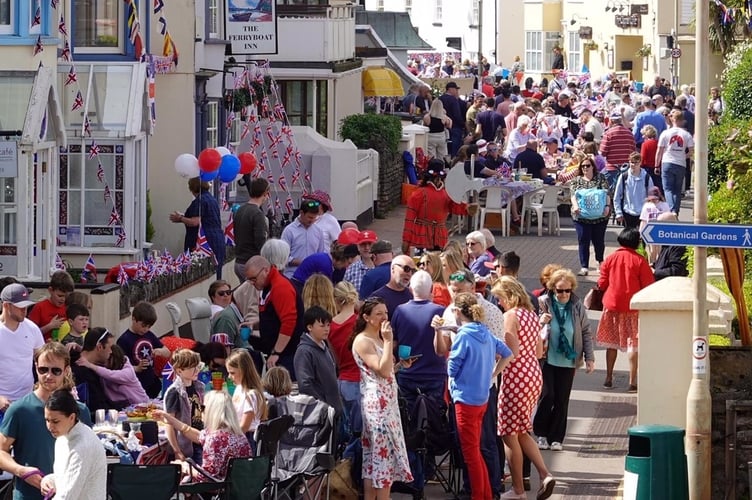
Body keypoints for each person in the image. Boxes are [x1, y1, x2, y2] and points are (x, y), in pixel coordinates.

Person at [0, 343, 92, 500]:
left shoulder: (80, 411)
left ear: (66, 370)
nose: (49, 376)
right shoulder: (19, 409)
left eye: (56, 370)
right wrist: (20, 470)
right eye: (43, 369)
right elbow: (1, 450)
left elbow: (87, 454)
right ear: (36, 367)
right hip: (28, 495)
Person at [491, 277, 555, 500]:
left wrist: (492, 371)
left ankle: (518, 490)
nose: (499, 303)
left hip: (515, 375)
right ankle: (545, 474)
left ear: (508, 296)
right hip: (534, 373)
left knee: (509, 434)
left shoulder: (510, 316)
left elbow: (511, 353)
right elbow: (538, 351)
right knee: (522, 430)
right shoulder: (530, 314)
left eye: (499, 298)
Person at [443, 292, 512, 500]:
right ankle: (485, 494)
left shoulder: (463, 335)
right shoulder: (484, 331)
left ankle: (478, 496)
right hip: (482, 398)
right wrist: (493, 372)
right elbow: (507, 353)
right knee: (477, 451)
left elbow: (452, 369)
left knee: (470, 455)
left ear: (457, 312)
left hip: (465, 400)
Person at [351, 297, 413, 499]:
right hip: (378, 406)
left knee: (374, 459)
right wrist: (388, 341)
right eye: (379, 313)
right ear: (366, 317)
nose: (384, 317)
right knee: (381, 456)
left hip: (387, 402)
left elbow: (385, 371)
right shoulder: (363, 341)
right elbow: (382, 371)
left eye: (386, 312)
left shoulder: (378, 339)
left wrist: (400, 366)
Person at [534, 269, 595, 451]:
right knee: (547, 396)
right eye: (560, 291)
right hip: (547, 358)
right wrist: (540, 321)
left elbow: (585, 331)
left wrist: (589, 358)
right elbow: (532, 326)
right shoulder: (544, 303)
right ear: (553, 289)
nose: (564, 294)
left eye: (567, 290)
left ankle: (556, 438)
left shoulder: (577, 306)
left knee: (562, 399)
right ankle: (541, 434)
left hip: (568, 359)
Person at [597, 227, 655, 392]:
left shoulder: (610, 259)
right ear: (637, 242)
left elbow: (601, 284)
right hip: (633, 308)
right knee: (633, 345)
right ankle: (632, 381)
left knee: (611, 343)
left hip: (611, 306)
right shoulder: (639, 261)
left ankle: (608, 378)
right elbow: (648, 285)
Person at [154, 390, 251, 482]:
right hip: (241, 487)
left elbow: (206, 477)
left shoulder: (215, 438)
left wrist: (184, 467)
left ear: (213, 411)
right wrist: (169, 419)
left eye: (203, 407)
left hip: (221, 489)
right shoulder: (238, 434)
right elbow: (195, 434)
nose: (200, 410)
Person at [391, 271, 447, 406]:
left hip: (407, 373)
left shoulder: (400, 310)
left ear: (410, 289)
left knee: (409, 416)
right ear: (431, 289)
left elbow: (394, 342)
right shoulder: (440, 311)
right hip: (434, 373)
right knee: (434, 416)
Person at [39, 389, 106, 500]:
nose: (50, 427)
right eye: (47, 420)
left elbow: (67, 496)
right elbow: (65, 477)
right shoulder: (62, 437)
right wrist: (49, 480)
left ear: (71, 417)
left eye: (55, 421)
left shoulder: (83, 446)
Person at [244, 255, 303, 375]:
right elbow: (274, 318)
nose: (251, 283)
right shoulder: (266, 286)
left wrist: (277, 352)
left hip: (288, 354)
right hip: (278, 351)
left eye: (253, 279)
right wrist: (255, 324)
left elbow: (289, 322)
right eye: (249, 280)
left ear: (265, 270)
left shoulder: (280, 287)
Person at [402, 160, 472, 255]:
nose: (438, 180)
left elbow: (455, 206)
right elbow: (409, 220)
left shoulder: (444, 193)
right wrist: (406, 239)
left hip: (433, 235)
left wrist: (467, 208)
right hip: (424, 235)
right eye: (437, 178)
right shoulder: (420, 194)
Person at [170, 177, 225, 278]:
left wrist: (181, 218)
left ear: (193, 188)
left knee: (201, 271)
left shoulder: (199, 201)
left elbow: (195, 222)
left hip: (205, 242)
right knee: (216, 270)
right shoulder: (212, 199)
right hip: (217, 238)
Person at [0, 284, 45, 407]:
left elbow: (44, 361)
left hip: (27, 402)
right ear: (6, 305)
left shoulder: (32, 329)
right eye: (20, 306)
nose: (24, 309)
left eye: (26, 305)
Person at [117, 301, 171, 398]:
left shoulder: (149, 335)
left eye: (149, 327)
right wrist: (137, 368)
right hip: (136, 386)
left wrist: (160, 351)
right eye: (143, 326)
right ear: (134, 319)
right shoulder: (124, 340)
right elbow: (119, 367)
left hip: (152, 382)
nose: (145, 329)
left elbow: (167, 352)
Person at [70, 328, 128, 416]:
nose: (111, 351)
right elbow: (96, 408)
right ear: (99, 347)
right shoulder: (81, 372)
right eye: (110, 347)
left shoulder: (92, 367)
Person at [329, 281, 361, 441]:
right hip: (359, 379)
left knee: (346, 430)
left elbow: (334, 357)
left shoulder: (331, 326)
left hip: (342, 379)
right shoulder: (359, 323)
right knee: (359, 432)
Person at [569, 155, 611, 276]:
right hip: (581, 217)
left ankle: (600, 263)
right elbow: (573, 195)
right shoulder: (576, 180)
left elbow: (607, 193)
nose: (585, 168)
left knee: (599, 241)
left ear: (593, 166)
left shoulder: (601, 178)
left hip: (600, 217)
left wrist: (607, 207)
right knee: (583, 240)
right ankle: (584, 267)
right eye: (583, 166)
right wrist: (575, 206)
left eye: (588, 165)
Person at [162, 348, 206, 463]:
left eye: (198, 366)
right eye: (192, 367)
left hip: (200, 440)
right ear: (179, 370)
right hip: (184, 446)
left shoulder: (199, 387)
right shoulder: (174, 392)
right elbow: (169, 423)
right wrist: (177, 451)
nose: (196, 370)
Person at [76, 343, 148, 406]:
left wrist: (90, 365)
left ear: (114, 358)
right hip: (122, 406)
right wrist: (79, 348)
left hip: (140, 406)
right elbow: (92, 356)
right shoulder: (105, 367)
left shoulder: (128, 372)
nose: (104, 361)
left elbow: (110, 375)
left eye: (108, 358)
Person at [226, 349, 267, 451]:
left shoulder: (251, 394)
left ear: (243, 371)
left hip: (247, 439)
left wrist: (226, 437)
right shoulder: (239, 388)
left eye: (232, 373)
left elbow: (244, 426)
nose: (229, 377)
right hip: (237, 435)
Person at [656, 110, 694, 215]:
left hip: (667, 161)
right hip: (680, 163)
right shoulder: (687, 134)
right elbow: (691, 151)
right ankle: (675, 211)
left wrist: (656, 165)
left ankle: (671, 209)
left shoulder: (665, 133)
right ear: (682, 121)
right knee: (677, 189)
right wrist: (684, 155)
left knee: (668, 189)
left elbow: (659, 150)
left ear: (672, 119)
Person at [233, 177, 270, 282]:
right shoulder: (257, 214)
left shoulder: (240, 210)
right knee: (252, 297)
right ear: (264, 193)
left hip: (239, 261)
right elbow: (260, 241)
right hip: (251, 264)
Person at [280, 199, 327, 278]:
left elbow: (320, 253)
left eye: (314, 218)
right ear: (301, 213)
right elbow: (282, 256)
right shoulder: (289, 231)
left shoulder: (318, 231)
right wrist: (299, 262)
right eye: (309, 217)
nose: (312, 220)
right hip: (293, 276)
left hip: (311, 278)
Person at [28, 270, 74, 342]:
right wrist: (50, 326)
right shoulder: (39, 307)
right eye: (60, 296)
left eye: (66, 296)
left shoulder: (68, 306)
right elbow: (29, 333)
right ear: (50, 290)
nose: (63, 299)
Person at [613, 152, 654, 229]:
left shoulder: (647, 178)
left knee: (641, 239)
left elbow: (652, 197)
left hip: (643, 213)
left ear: (640, 163)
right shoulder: (624, 177)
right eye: (631, 162)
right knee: (629, 238)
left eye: (636, 163)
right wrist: (618, 212)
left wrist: (650, 213)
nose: (633, 165)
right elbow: (617, 196)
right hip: (627, 212)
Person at [371, 254, 415, 319]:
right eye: (406, 269)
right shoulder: (377, 297)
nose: (409, 274)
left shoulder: (413, 295)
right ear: (393, 269)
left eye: (413, 271)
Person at [652, 213, 689, 280]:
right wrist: (653, 265)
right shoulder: (666, 242)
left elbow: (677, 270)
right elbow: (664, 262)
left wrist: (656, 272)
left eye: (660, 226)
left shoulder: (678, 245)